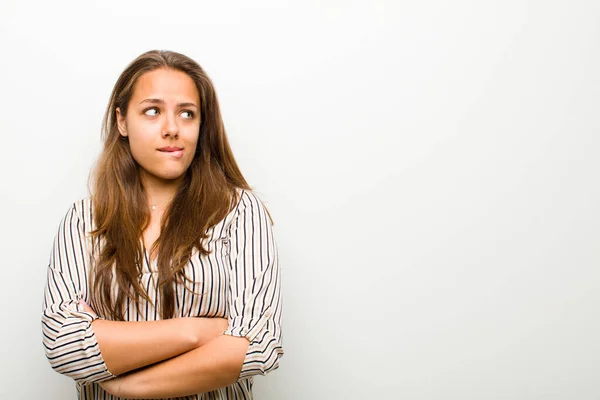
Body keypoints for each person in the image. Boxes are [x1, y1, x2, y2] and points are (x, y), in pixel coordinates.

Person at [41, 49, 283, 399]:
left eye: (187, 114)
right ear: (122, 121)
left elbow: (259, 343)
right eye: (152, 111)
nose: (172, 129)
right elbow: (62, 343)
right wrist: (198, 332)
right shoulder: (84, 220)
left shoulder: (240, 212)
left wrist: (131, 386)